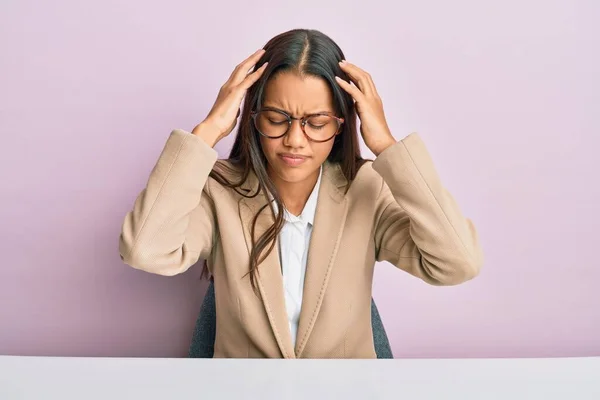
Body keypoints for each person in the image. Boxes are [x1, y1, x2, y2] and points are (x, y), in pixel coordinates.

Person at [119, 28, 483, 359]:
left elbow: (457, 263)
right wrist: (209, 129)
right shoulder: (219, 189)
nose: (295, 140)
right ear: (252, 116)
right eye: (276, 119)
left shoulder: (367, 187)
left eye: (317, 123)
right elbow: (145, 251)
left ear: (342, 124)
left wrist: (387, 146)